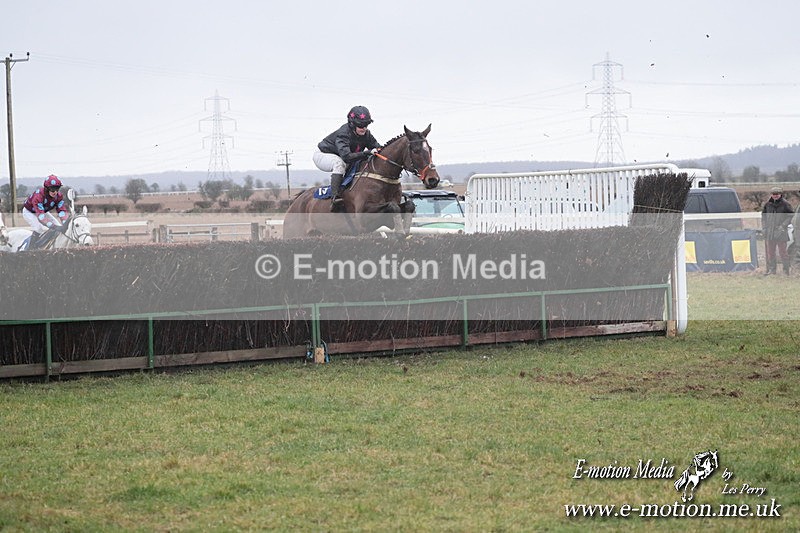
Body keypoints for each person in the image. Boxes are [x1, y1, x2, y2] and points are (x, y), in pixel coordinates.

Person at [313, 105, 381, 211]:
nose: (364, 128)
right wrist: (367, 152)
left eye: (366, 125)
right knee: (339, 164)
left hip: (341, 157)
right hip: (323, 155)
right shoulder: (343, 134)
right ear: (352, 124)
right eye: (361, 125)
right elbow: (347, 157)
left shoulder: (366, 134)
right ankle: (335, 197)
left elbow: (378, 148)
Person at [22, 175, 69, 249]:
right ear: (47, 188)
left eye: (57, 189)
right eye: (52, 189)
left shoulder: (59, 196)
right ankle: (30, 249)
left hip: (42, 211)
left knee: (58, 224)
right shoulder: (38, 196)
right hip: (29, 212)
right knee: (39, 228)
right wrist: (53, 226)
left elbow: (61, 211)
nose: (55, 192)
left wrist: (65, 223)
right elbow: (41, 217)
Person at [761, 186, 794, 275]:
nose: (775, 196)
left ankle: (786, 271)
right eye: (773, 194)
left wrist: (783, 226)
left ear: (780, 194)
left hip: (781, 232)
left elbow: (790, 215)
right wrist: (764, 228)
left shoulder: (785, 204)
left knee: (783, 252)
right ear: (771, 195)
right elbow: (763, 216)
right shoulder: (767, 204)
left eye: (777, 194)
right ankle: (772, 270)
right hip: (770, 232)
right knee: (770, 252)